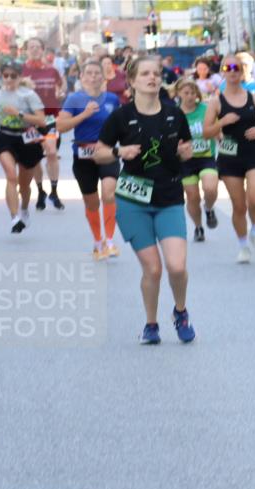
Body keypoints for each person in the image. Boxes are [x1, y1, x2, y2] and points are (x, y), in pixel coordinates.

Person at [93, 56, 195, 345]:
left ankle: (180, 311)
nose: (152, 78)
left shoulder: (175, 114)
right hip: (133, 201)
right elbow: (99, 153)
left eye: (156, 73)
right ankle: (151, 324)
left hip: (169, 197)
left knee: (177, 267)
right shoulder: (121, 117)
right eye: (145, 74)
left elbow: (186, 146)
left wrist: (186, 152)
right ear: (132, 81)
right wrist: (119, 152)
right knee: (153, 269)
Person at [205, 54, 255, 263]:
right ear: (222, 72)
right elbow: (206, 133)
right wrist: (222, 122)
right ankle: (243, 246)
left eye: (236, 67)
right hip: (230, 158)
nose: (233, 71)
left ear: (242, 71)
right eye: (228, 68)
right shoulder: (216, 102)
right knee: (239, 206)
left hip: (253, 154)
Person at [57, 59, 122, 259]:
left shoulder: (112, 99)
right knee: (92, 202)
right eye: (89, 73)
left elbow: (121, 125)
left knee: (109, 193)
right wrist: (84, 115)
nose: (93, 76)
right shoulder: (74, 99)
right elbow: (61, 126)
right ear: (82, 77)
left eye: (97, 73)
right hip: (83, 155)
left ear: (103, 77)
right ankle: (97, 241)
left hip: (107, 153)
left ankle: (110, 241)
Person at [0, 63, 46, 233]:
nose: (9, 79)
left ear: (19, 77)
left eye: (13, 76)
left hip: (27, 139)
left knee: (24, 185)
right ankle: (14, 218)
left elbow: (42, 120)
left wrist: (18, 113)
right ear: (2, 76)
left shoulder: (29, 95)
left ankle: (24, 209)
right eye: (6, 75)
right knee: (11, 176)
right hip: (5, 137)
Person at [22, 37, 66, 212]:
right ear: (26, 50)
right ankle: (40, 191)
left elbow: (61, 87)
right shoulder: (21, 70)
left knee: (52, 152)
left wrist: (61, 93)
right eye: (31, 47)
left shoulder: (52, 70)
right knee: (34, 159)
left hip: (50, 118)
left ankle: (54, 192)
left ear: (42, 50)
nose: (34, 49)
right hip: (29, 120)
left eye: (37, 47)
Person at [176, 78, 219, 242]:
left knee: (210, 188)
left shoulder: (206, 110)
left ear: (197, 94)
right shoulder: (175, 114)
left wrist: (223, 141)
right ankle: (198, 227)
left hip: (206, 157)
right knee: (192, 197)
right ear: (179, 93)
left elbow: (216, 130)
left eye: (193, 93)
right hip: (185, 161)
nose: (189, 96)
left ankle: (208, 208)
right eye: (186, 93)